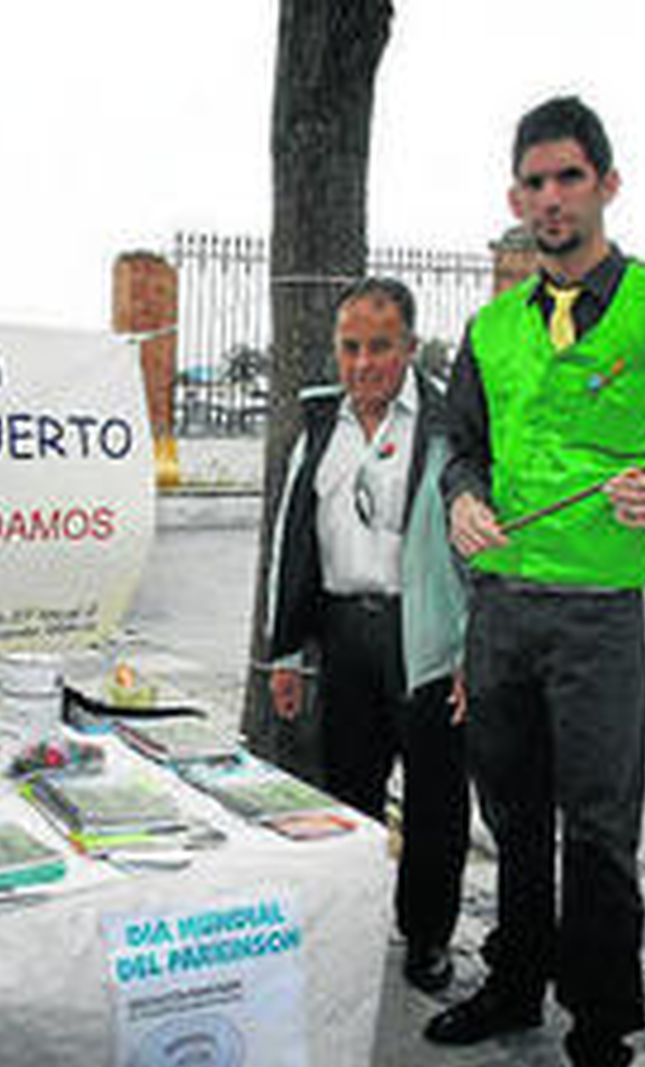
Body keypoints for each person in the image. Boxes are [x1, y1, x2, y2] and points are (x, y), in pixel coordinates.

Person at [429, 97, 645, 1067]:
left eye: (569, 177)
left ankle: (600, 1049)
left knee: (600, 836)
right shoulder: (490, 328)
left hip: (600, 619)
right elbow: (462, 449)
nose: (550, 199)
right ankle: (515, 981)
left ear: (606, 184)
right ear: (514, 197)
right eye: (534, 182)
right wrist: (461, 498)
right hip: (501, 613)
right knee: (512, 817)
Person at [266, 276, 472, 996]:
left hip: (424, 637)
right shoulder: (322, 424)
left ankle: (427, 935)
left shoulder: (448, 425)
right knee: (348, 789)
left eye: (379, 347)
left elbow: (481, 545)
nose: (362, 364)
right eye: (350, 347)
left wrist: (470, 651)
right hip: (344, 634)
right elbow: (294, 538)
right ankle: (352, 924)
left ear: (410, 347)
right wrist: (285, 650)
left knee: (436, 799)